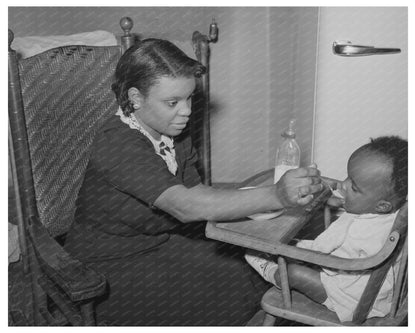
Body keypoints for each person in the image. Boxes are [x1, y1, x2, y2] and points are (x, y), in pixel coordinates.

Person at [63, 38, 323, 326]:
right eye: (173, 102)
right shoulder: (118, 144)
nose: (186, 110)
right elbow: (185, 206)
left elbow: (195, 190)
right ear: (135, 98)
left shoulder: (171, 131)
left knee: (246, 272)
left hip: (158, 242)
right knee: (224, 295)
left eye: (189, 98)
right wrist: (277, 195)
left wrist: (257, 204)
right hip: (106, 265)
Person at [245, 136, 408, 322]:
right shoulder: (391, 212)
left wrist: (293, 249)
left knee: (294, 272)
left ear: (382, 206)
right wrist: (339, 200)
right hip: (372, 288)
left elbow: (323, 248)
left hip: (352, 299)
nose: (343, 185)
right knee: (298, 250)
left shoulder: (363, 233)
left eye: (353, 187)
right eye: (348, 177)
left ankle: (271, 271)